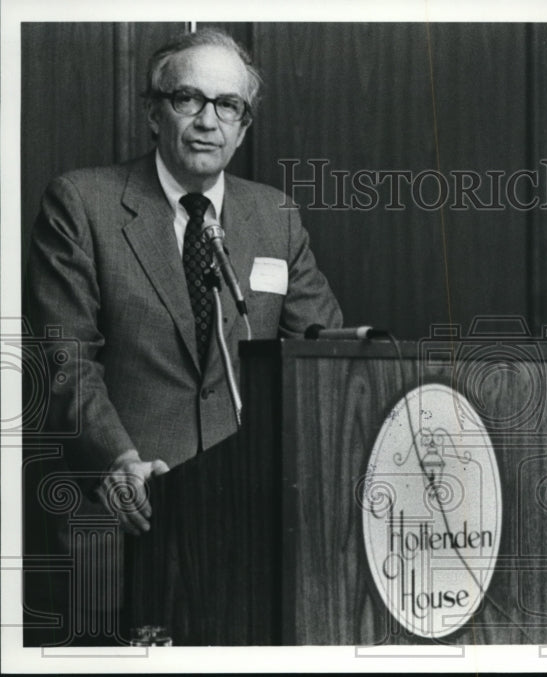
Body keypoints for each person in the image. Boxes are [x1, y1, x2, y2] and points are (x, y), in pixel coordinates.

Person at [23, 28, 341, 643]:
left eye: (228, 106)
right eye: (188, 99)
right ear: (152, 111)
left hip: (249, 529)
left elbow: (319, 352)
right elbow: (66, 363)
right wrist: (119, 461)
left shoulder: (273, 216)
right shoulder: (82, 204)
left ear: (244, 127)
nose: (207, 121)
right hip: (124, 519)